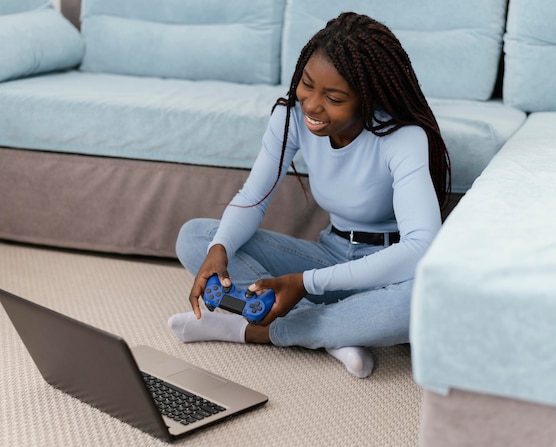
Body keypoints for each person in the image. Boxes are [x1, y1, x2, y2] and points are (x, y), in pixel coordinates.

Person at [168, 12, 451, 378]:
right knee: (197, 237)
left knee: (423, 299)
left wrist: (306, 284)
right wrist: (220, 247)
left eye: (334, 97)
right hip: (329, 254)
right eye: (306, 84)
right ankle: (335, 332)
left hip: (389, 268)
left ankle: (252, 330)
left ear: (368, 98)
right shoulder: (291, 118)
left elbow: (419, 248)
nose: (312, 105)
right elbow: (254, 195)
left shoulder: (402, 137)